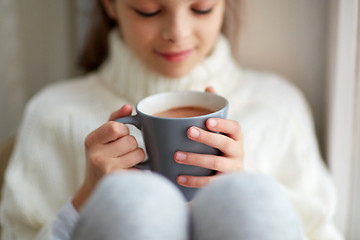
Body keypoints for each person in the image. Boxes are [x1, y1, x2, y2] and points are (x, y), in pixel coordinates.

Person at [0, 0, 343, 239]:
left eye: (201, 8)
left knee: (247, 199)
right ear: (109, 3)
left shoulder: (278, 108)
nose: (177, 32)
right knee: (133, 205)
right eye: (149, 10)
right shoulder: (52, 114)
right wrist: (87, 200)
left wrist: (244, 192)